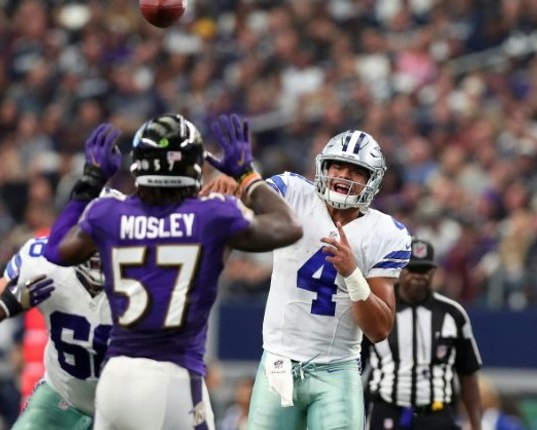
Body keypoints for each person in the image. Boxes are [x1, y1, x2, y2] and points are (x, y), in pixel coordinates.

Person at [43, 113, 304, 429]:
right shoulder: (213, 215)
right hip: (173, 376)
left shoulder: (107, 212)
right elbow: (289, 227)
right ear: (193, 166)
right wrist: (246, 175)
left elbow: (55, 250)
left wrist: (90, 182)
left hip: (117, 377)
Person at [205, 129, 413, 430]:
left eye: (356, 171)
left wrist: (353, 274)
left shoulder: (385, 234)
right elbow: (247, 200)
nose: (344, 175)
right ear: (323, 167)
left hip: (336, 371)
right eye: (337, 166)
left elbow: (379, 329)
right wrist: (234, 189)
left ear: (372, 180)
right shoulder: (294, 193)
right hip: (279, 361)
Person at [0, 194, 122, 430]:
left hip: (123, 404)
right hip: (61, 396)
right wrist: (10, 303)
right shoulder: (44, 265)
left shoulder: (151, 279)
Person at [363, 238, 483, 430]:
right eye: (412, 270)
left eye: (424, 271)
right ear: (400, 270)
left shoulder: (453, 314)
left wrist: (476, 425)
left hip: (436, 414)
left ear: (433, 272)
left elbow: (467, 372)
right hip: (387, 410)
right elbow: (355, 363)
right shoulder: (379, 308)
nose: (418, 278)